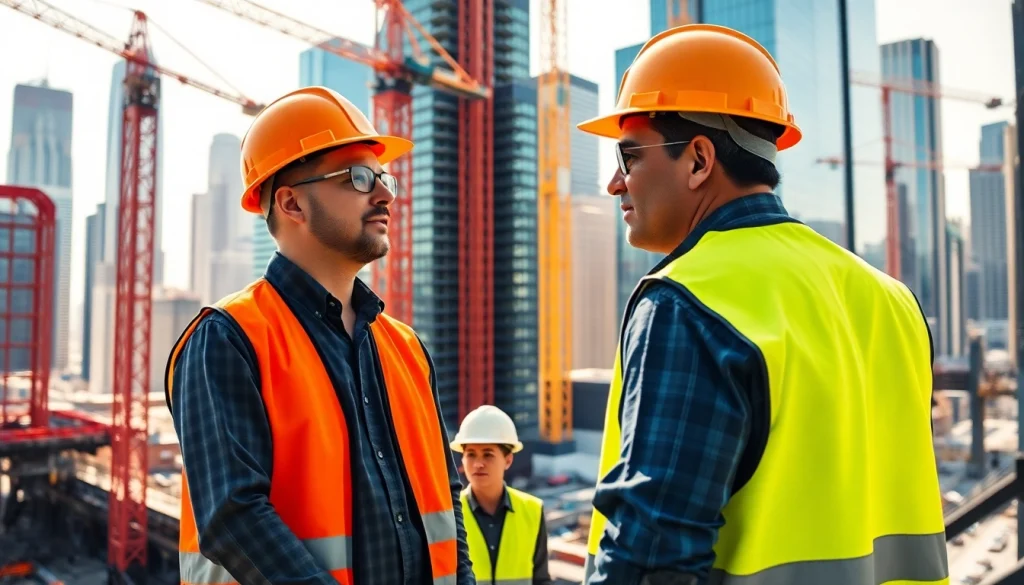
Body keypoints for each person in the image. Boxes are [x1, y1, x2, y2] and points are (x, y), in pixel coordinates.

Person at [575, 24, 949, 585]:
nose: (614, 183)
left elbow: (651, 560)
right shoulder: (893, 301)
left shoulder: (688, 301)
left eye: (629, 157)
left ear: (699, 160)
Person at [165, 86, 474, 585]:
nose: (386, 194)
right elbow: (234, 516)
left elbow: (447, 504)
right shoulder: (227, 339)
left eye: (383, 177)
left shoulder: (407, 349)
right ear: (291, 204)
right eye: (358, 177)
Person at [449, 406, 552, 585]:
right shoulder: (450, 513)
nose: (478, 464)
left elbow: (541, 580)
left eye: (488, 455)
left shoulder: (532, 510)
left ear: (508, 460)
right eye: (471, 454)